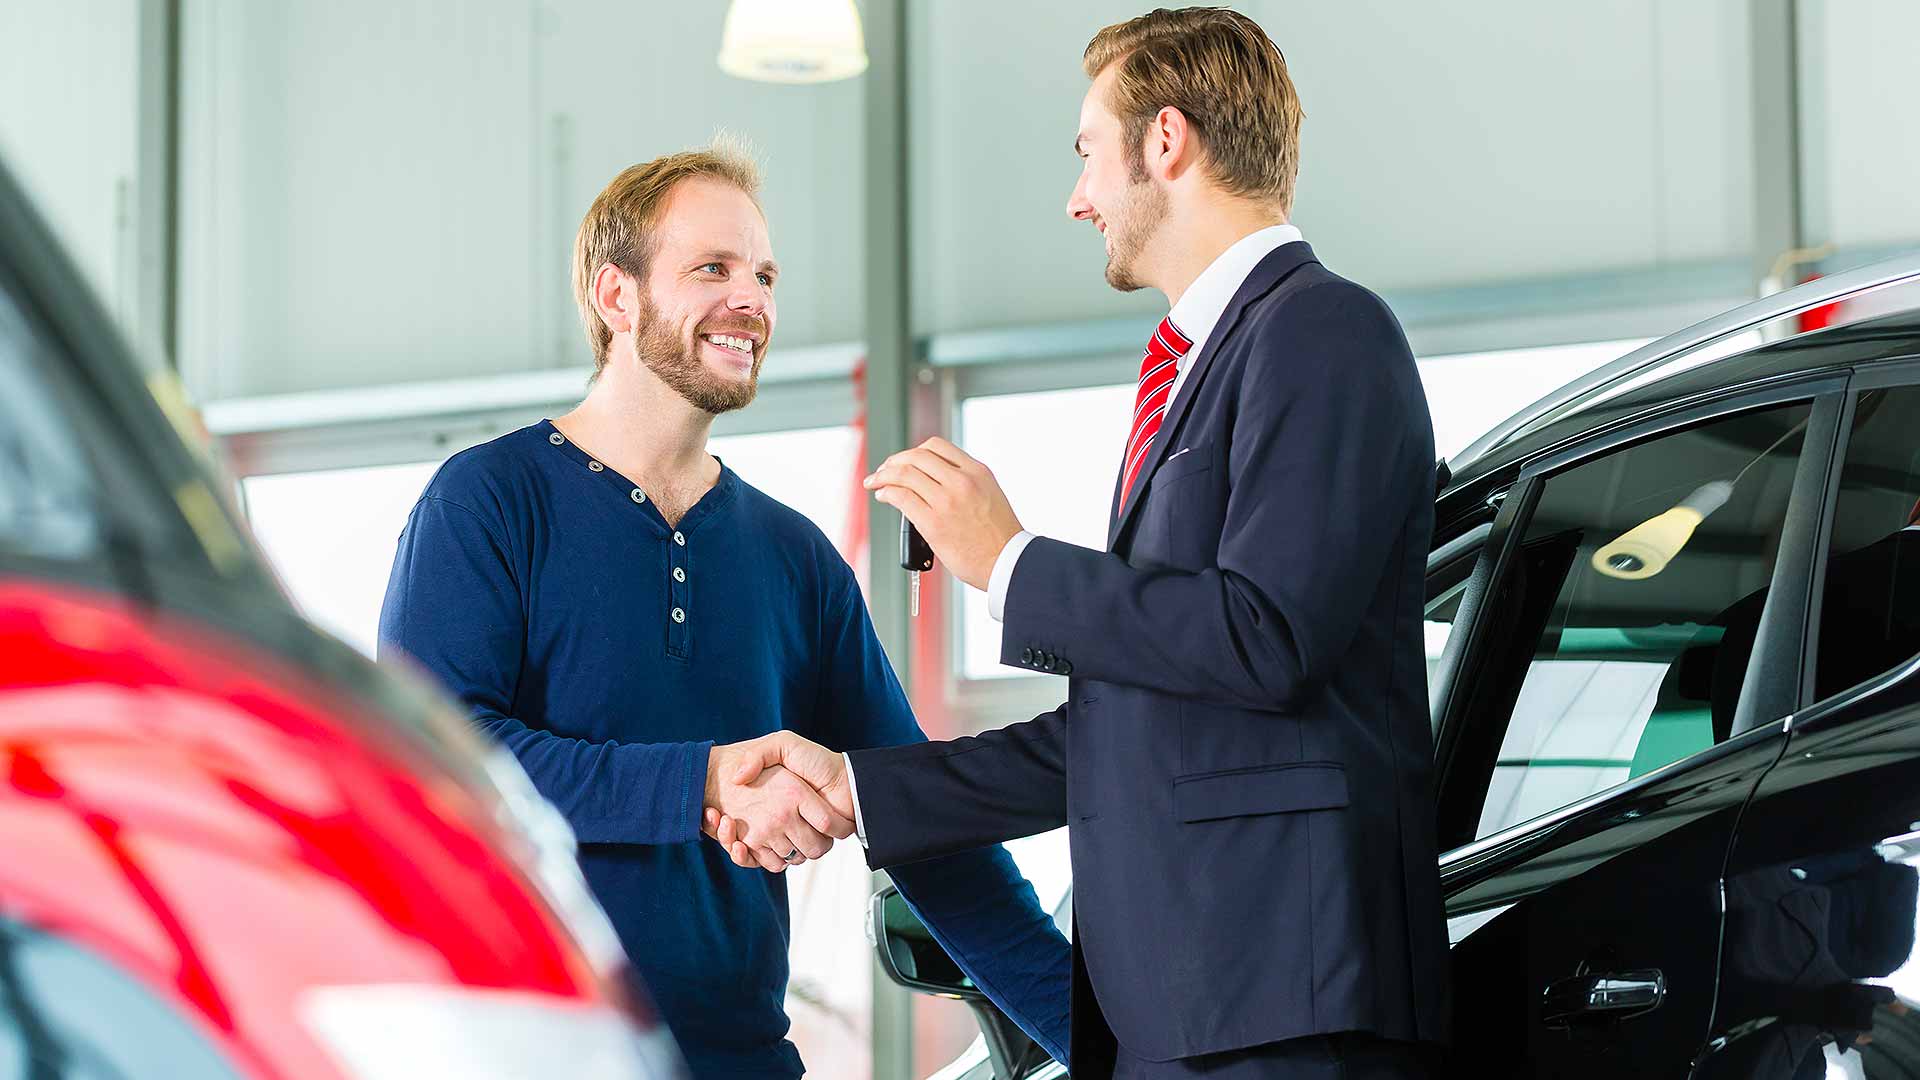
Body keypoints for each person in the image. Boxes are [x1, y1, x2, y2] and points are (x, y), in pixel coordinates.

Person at [717, 9, 1450, 1077]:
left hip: (1284, 1005)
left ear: (1166, 141)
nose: (1077, 198)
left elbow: (1268, 635)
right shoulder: (1204, 366)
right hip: (1194, 1011)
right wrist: (854, 790)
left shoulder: (1323, 330)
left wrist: (1010, 561)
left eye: (1086, 154)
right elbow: (1133, 729)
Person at [377, 141, 1070, 1078]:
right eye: (713, 268)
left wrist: (1120, 1049)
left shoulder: (795, 560)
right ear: (615, 296)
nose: (752, 300)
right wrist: (700, 783)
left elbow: (928, 830)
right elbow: (433, 766)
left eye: (765, 275)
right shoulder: (487, 503)